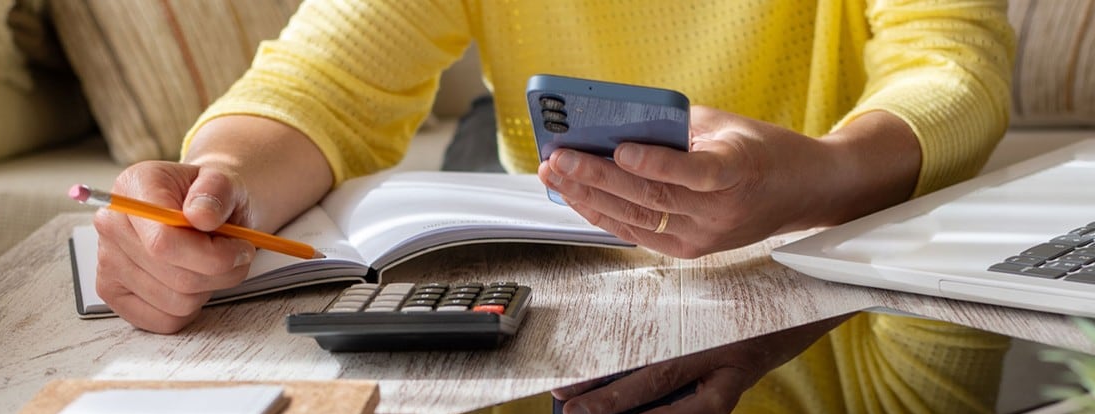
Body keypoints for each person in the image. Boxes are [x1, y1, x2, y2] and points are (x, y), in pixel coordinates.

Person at [91, 0, 1014, 333]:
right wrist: (211, 182)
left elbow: (951, 64)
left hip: (821, 248)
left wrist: (820, 173)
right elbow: (324, 81)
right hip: (554, 240)